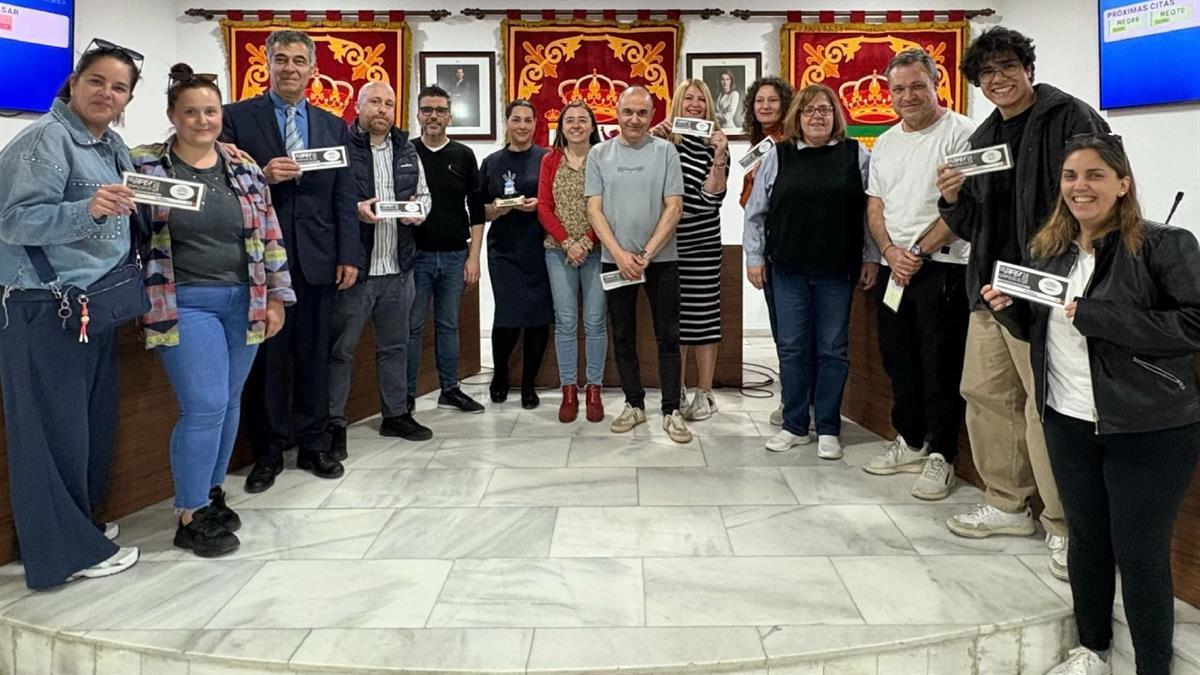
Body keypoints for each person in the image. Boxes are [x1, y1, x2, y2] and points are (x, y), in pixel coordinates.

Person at [982, 134, 1200, 675]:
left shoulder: (1164, 246)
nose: (1081, 187)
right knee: (1086, 541)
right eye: (1071, 176)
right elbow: (1043, 331)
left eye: (1095, 175)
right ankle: (1093, 650)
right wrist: (1009, 309)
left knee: (1140, 552)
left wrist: (1098, 316)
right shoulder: (1047, 250)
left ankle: (1152, 666)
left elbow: (1193, 324)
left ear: (1122, 184)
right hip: (1068, 417)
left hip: (1147, 425)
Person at [937, 26, 1107, 580]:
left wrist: (1072, 273)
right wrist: (951, 195)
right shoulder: (984, 135)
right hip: (990, 289)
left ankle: (1064, 526)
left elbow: (1097, 192)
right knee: (984, 394)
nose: (999, 78)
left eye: (1008, 66)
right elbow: (970, 225)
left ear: (1027, 67)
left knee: (1045, 407)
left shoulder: (1069, 117)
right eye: (987, 73)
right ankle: (1008, 503)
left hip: (1046, 292)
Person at [130, 63, 295, 557]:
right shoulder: (146, 166)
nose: (202, 120)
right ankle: (188, 511)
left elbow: (269, 235)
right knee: (202, 405)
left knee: (227, 402)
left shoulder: (243, 167)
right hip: (183, 301)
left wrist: (275, 298)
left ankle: (211, 491)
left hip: (244, 301)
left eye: (211, 111)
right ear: (171, 115)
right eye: (191, 112)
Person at [0, 38, 143, 587]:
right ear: (74, 82)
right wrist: (85, 210)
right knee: (51, 434)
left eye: (119, 87)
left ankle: (68, 528)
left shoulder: (109, 145)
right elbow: (13, 221)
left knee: (83, 430)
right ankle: (65, 555)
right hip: (42, 306)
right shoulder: (44, 140)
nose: (107, 93)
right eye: (97, 81)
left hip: (89, 305)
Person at [221, 29, 360, 493]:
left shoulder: (332, 125)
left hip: (319, 259)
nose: (290, 68)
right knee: (267, 360)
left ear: (312, 69)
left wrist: (348, 253)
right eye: (281, 59)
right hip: (262, 261)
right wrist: (260, 176)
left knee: (314, 355)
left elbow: (344, 196)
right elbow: (220, 186)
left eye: (299, 61)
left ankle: (314, 443)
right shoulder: (236, 119)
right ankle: (267, 451)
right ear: (267, 63)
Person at [862, 49, 976, 501]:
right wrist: (890, 251)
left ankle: (942, 456)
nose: (907, 96)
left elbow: (964, 209)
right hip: (896, 270)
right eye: (898, 89)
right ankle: (910, 440)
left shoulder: (963, 133)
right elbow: (876, 206)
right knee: (900, 361)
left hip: (944, 268)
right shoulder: (886, 142)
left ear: (936, 83)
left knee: (940, 366)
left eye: (916, 86)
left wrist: (915, 252)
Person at [743, 84, 880, 459]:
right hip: (787, 270)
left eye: (824, 110)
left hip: (838, 271)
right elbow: (756, 214)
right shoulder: (778, 156)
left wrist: (871, 257)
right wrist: (753, 258)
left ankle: (829, 427)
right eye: (808, 111)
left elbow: (871, 215)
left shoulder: (857, 156)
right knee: (792, 348)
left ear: (836, 116)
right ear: (797, 118)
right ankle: (794, 424)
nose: (816, 117)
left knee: (833, 349)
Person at [328, 81, 433, 452]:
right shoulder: (342, 148)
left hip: (398, 268)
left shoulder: (406, 149)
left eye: (389, 103)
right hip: (357, 270)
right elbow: (329, 200)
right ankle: (334, 424)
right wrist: (355, 211)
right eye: (375, 102)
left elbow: (423, 194)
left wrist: (419, 211)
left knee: (395, 347)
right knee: (340, 352)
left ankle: (395, 415)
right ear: (359, 106)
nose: (383, 109)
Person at [585, 86, 689, 443]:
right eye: (627, 112)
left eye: (641, 113)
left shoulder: (666, 152)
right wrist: (619, 254)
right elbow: (594, 209)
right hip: (614, 260)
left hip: (661, 260)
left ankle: (672, 410)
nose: (634, 120)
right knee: (623, 335)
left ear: (651, 115)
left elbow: (674, 206)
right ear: (616, 113)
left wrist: (643, 255)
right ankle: (634, 405)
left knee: (668, 337)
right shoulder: (599, 154)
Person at [651, 79, 729, 421]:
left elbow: (713, 196)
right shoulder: (664, 143)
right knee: (676, 320)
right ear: (678, 104)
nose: (695, 104)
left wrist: (721, 155)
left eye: (701, 99)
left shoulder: (715, 145)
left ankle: (706, 392)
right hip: (670, 243)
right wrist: (651, 139)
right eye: (689, 99)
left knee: (705, 318)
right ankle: (677, 387)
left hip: (704, 243)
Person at [408, 85, 487, 415]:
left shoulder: (463, 156)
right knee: (411, 328)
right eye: (427, 110)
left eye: (440, 110)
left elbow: (477, 209)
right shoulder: (406, 153)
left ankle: (450, 389)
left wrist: (474, 257)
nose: (433, 116)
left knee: (448, 326)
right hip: (415, 257)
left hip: (456, 256)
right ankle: (406, 395)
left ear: (450, 116)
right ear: (418, 115)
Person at [480, 99, 553, 409]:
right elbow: (479, 211)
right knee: (507, 316)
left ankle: (528, 384)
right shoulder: (492, 162)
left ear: (535, 124)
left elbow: (557, 201)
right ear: (506, 123)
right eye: (516, 120)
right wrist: (495, 209)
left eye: (528, 120)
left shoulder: (548, 159)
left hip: (539, 248)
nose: (522, 126)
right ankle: (500, 376)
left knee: (538, 318)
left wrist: (539, 205)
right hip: (504, 250)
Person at [538, 101, 606, 423]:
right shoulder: (550, 160)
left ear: (593, 126)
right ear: (561, 127)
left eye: (583, 120)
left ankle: (594, 389)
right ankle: (568, 390)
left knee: (594, 322)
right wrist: (568, 242)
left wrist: (587, 242)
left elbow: (610, 205)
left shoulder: (604, 157)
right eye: (570, 120)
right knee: (565, 321)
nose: (576, 125)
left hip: (598, 250)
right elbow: (544, 207)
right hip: (558, 251)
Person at [739, 76, 795, 429]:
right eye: (759, 101)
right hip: (771, 247)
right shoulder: (759, 145)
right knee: (783, 332)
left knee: (794, 334)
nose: (765, 107)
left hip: (794, 244)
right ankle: (791, 397)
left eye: (772, 101)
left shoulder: (790, 142)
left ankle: (797, 401)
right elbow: (749, 203)